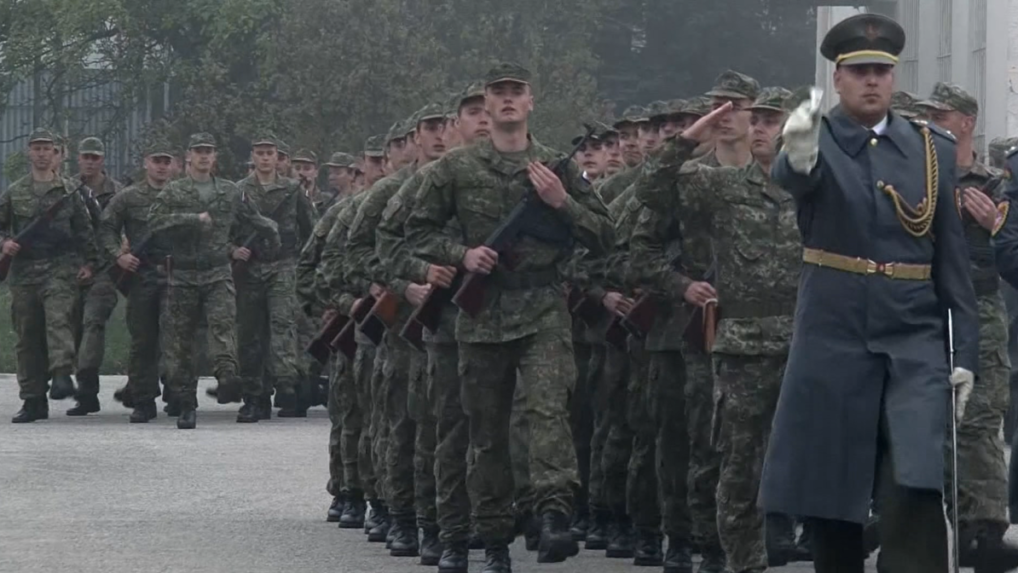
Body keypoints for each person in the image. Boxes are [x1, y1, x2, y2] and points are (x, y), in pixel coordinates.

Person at [759, 14, 978, 573]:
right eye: (859, 72)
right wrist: (798, 153)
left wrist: (966, 356)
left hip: (913, 339)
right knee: (832, 491)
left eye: (881, 70)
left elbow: (952, 261)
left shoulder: (930, 149)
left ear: (893, 75)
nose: (872, 81)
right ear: (838, 79)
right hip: (834, 334)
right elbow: (795, 177)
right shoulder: (816, 141)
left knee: (916, 478)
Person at [405, 62, 613, 572]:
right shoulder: (454, 170)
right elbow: (411, 235)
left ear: (530, 102)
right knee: (485, 432)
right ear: (486, 102)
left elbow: (604, 235)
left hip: (542, 306)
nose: (506, 101)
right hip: (482, 315)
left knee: (547, 409)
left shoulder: (555, 169)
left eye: (515, 92)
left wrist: (562, 202)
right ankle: (490, 538)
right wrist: (461, 254)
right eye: (497, 93)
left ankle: (553, 512)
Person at [375, 81, 491, 573]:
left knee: (494, 431)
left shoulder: (521, 174)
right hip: (434, 324)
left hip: (498, 321)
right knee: (430, 428)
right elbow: (365, 253)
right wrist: (413, 281)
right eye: (472, 112)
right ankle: (425, 522)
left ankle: (489, 523)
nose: (484, 120)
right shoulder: (412, 186)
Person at [916, 82, 1018, 569]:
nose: (933, 120)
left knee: (980, 418)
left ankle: (985, 529)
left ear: (966, 122)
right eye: (929, 113)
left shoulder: (995, 183)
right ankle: (948, 519)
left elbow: (1010, 241)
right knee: (932, 419)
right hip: (925, 307)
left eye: (942, 113)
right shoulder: (916, 176)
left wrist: (997, 223)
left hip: (981, 309)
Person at [148, 132, 280, 429]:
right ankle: (185, 403)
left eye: (209, 151)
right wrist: (191, 219)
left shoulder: (230, 191)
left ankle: (227, 378)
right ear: (189, 157)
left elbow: (252, 218)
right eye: (199, 151)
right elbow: (154, 223)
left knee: (223, 330)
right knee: (181, 341)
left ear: (215, 157)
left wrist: (271, 230)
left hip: (218, 272)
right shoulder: (174, 191)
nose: (204, 156)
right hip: (182, 274)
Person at [2, 128, 98, 423]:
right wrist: (4, 242)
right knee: (27, 335)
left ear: (56, 153)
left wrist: (90, 263)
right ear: (29, 153)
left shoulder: (69, 191)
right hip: (25, 271)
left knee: (58, 319)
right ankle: (32, 399)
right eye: (37, 148)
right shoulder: (15, 191)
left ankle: (61, 374)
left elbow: (85, 230)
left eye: (48, 148)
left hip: (61, 266)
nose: (42, 154)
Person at [232, 134, 316, 421]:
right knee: (251, 333)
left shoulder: (293, 190)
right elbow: (226, 230)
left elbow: (311, 231)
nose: (265, 158)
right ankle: (255, 396)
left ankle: (289, 384)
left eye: (270, 153)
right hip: (252, 268)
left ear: (278, 157)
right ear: (253, 157)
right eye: (260, 153)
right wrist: (234, 250)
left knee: (283, 325)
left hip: (284, 265)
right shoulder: (239, 191)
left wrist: (306, 266)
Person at [98, 140, 176, 422]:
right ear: (146, 163)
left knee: (176, 339)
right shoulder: (128, 198)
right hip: (142, 277)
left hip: (176, 277)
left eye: (166, 161)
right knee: (143, 341)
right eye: (157, 160)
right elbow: (106, 228)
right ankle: (144, 399)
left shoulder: (184, 196)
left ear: (174, 165)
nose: (161, 166)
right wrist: (118, 255)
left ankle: (178, 393)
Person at [69, 136, 123, 416]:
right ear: (78, 158)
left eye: (95, 157)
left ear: (103, 160)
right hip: (69, 269)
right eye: (86, 156)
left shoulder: (118, 193)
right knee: (71, 327)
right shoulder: (66, 190)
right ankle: (81, 393)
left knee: (93, 323)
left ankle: (87, 387)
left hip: (104, 270)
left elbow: (125, 231)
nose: (90, 162)